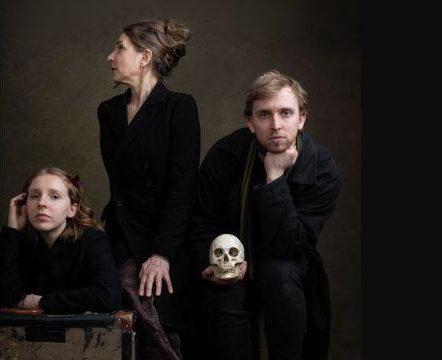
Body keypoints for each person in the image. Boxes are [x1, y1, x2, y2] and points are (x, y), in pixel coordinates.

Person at [190, 70, 342, 360]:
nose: (276, 125)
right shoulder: (224, 156)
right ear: (250, 121)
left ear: (301, 118)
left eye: (286, 113)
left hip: (291, 268)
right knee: (225, 301)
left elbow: (290, 245)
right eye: (264, 115)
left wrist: (274, 178)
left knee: (280, 274)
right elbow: (203, 223)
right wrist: (209, 264)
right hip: (231, 265)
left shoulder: (322, 168)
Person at [98, 19, 200, 360]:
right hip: (119, 234)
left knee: (161, 312)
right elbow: (120, 191)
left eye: (119, 48)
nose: (110, 57)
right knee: (104, 313)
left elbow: (183, 187)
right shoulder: (108, 112)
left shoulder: (180, 108)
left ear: (144, 57)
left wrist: (161, 254)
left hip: (164, 238)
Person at [0, 167, 122, 314]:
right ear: (24, 205)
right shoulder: (22, 243)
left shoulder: (93, 240)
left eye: (54, 196)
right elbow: (6, 298)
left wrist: (40, 302)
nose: (41, 203)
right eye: (34, 196)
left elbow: (109, 297)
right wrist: (13, 232)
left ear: (72, 209)